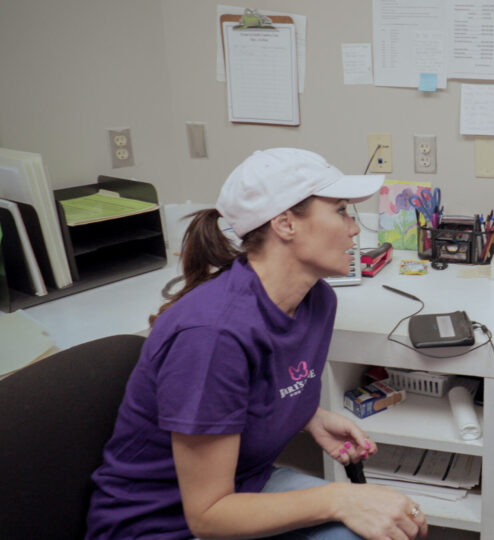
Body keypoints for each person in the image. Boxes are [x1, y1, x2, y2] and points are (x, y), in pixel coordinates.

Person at [86, 148, 429, 539]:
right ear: (285, 224)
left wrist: (308, 415)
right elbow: (208, 516)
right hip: (162, 525)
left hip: (244, 487)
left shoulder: (316, 301)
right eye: (340, 211)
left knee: (398, 527)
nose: (354, 229)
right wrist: (341, 499)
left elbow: (260, 385)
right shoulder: (212, 336)